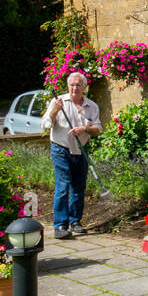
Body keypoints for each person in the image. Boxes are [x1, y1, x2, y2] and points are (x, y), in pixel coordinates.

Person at [42, 72, 102, 240]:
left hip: (81, 149)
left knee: (78, 186)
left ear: (84, 87)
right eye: (72, 85)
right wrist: (54, 111)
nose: (75, 88)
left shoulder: (92, 106)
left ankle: (75, 222)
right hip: (61, 149)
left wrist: (84, 129)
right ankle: (60, 225)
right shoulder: (58, 102)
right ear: (68, 86)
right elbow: (46, 124)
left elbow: (98, 129)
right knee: (63, 185)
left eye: (78, 85)